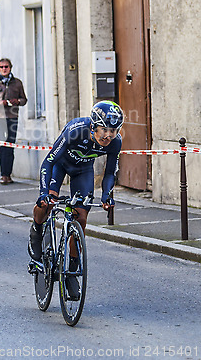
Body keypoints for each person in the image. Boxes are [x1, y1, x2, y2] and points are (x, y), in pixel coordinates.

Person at [28, 100, 124, 299]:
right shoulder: (76, 131)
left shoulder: (115, 142)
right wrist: (44, 192)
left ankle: (71, 271)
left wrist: (106, 196)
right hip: (59, 165)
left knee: (80, 217)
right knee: (46, 203)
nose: (108, 135)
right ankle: (36, 231)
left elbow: (109, 173)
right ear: (93, 125)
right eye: (104, 129)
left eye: (113, 130)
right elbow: (49, 161)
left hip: (82, 171)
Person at [0, 58, 27, 185]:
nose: (4, 69)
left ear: (10, 68)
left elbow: (24, 100)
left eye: (6, 66)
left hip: (12, 117)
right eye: (2, 67)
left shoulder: (17, 83)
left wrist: (17, 101)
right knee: (2, 145)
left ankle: (8, 174)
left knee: (10, 145)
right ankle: (3, 175)